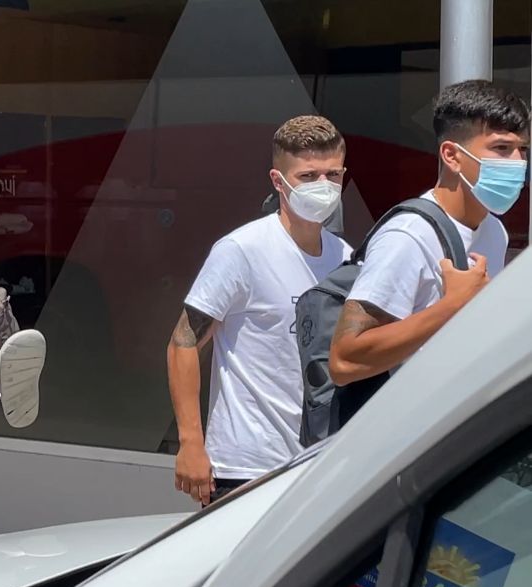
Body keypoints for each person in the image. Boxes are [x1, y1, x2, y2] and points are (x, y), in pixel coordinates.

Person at [168, 115, 353, 506]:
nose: (323, 186)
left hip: (318, 464)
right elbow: (182, 344)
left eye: (332, 175)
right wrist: (191, 443)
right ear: (278, 181)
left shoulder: (345, 257)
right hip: (246, 467)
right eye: (308, 176)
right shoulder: (242, 251)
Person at [330, 80, 528, 387]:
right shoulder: (408, 236)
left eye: (523, 149)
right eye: (501, 148)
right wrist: (451, 305)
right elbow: (344, 361)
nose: (518, 162)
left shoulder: (494, 230)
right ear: (452, 156)